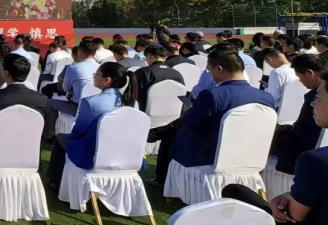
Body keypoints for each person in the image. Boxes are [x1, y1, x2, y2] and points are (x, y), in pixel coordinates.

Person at [222, 67, 328, 225]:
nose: (312, 104)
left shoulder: (316, 161)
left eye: (318, 98)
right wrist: (291, 195)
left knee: (235, 192)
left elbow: (294, 215)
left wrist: (287, 202)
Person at [153, 45, 275, 187]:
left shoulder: (212, 95)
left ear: (218, 69)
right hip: (248, 155)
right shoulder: (266, 97)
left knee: (173, 134)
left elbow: (190, 123)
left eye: (209, 70)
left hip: (208, 156)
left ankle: (166, 181)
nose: (210, 74)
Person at [47, 62, 128, 187]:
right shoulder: (131, 102)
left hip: (93, 152)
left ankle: (56, 182)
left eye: (97, 74)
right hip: (120, 150)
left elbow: (78, 132)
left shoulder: (90, 102)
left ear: (107, 80)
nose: (94, 76)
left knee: (61, 138)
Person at [273, 54, 324, 176]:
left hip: (305, 149)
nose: (300, 82)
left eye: (300, 77)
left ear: (310, 73)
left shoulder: (316, 98)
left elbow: (302, 131)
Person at [46, 41, 100, 139]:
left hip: (78, 107)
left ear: (79, 53)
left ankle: (50, 133)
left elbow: (65, 88)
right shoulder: (102, 67)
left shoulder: (73, 68)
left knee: (48, 103)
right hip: (97, 108)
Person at [130, 44, 184, 113]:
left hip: (145, 114)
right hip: (173, 114)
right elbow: (182, 96)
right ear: (165, 57)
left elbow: (132, 95)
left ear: (149, 56)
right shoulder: (177, 73)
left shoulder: (142, 72)